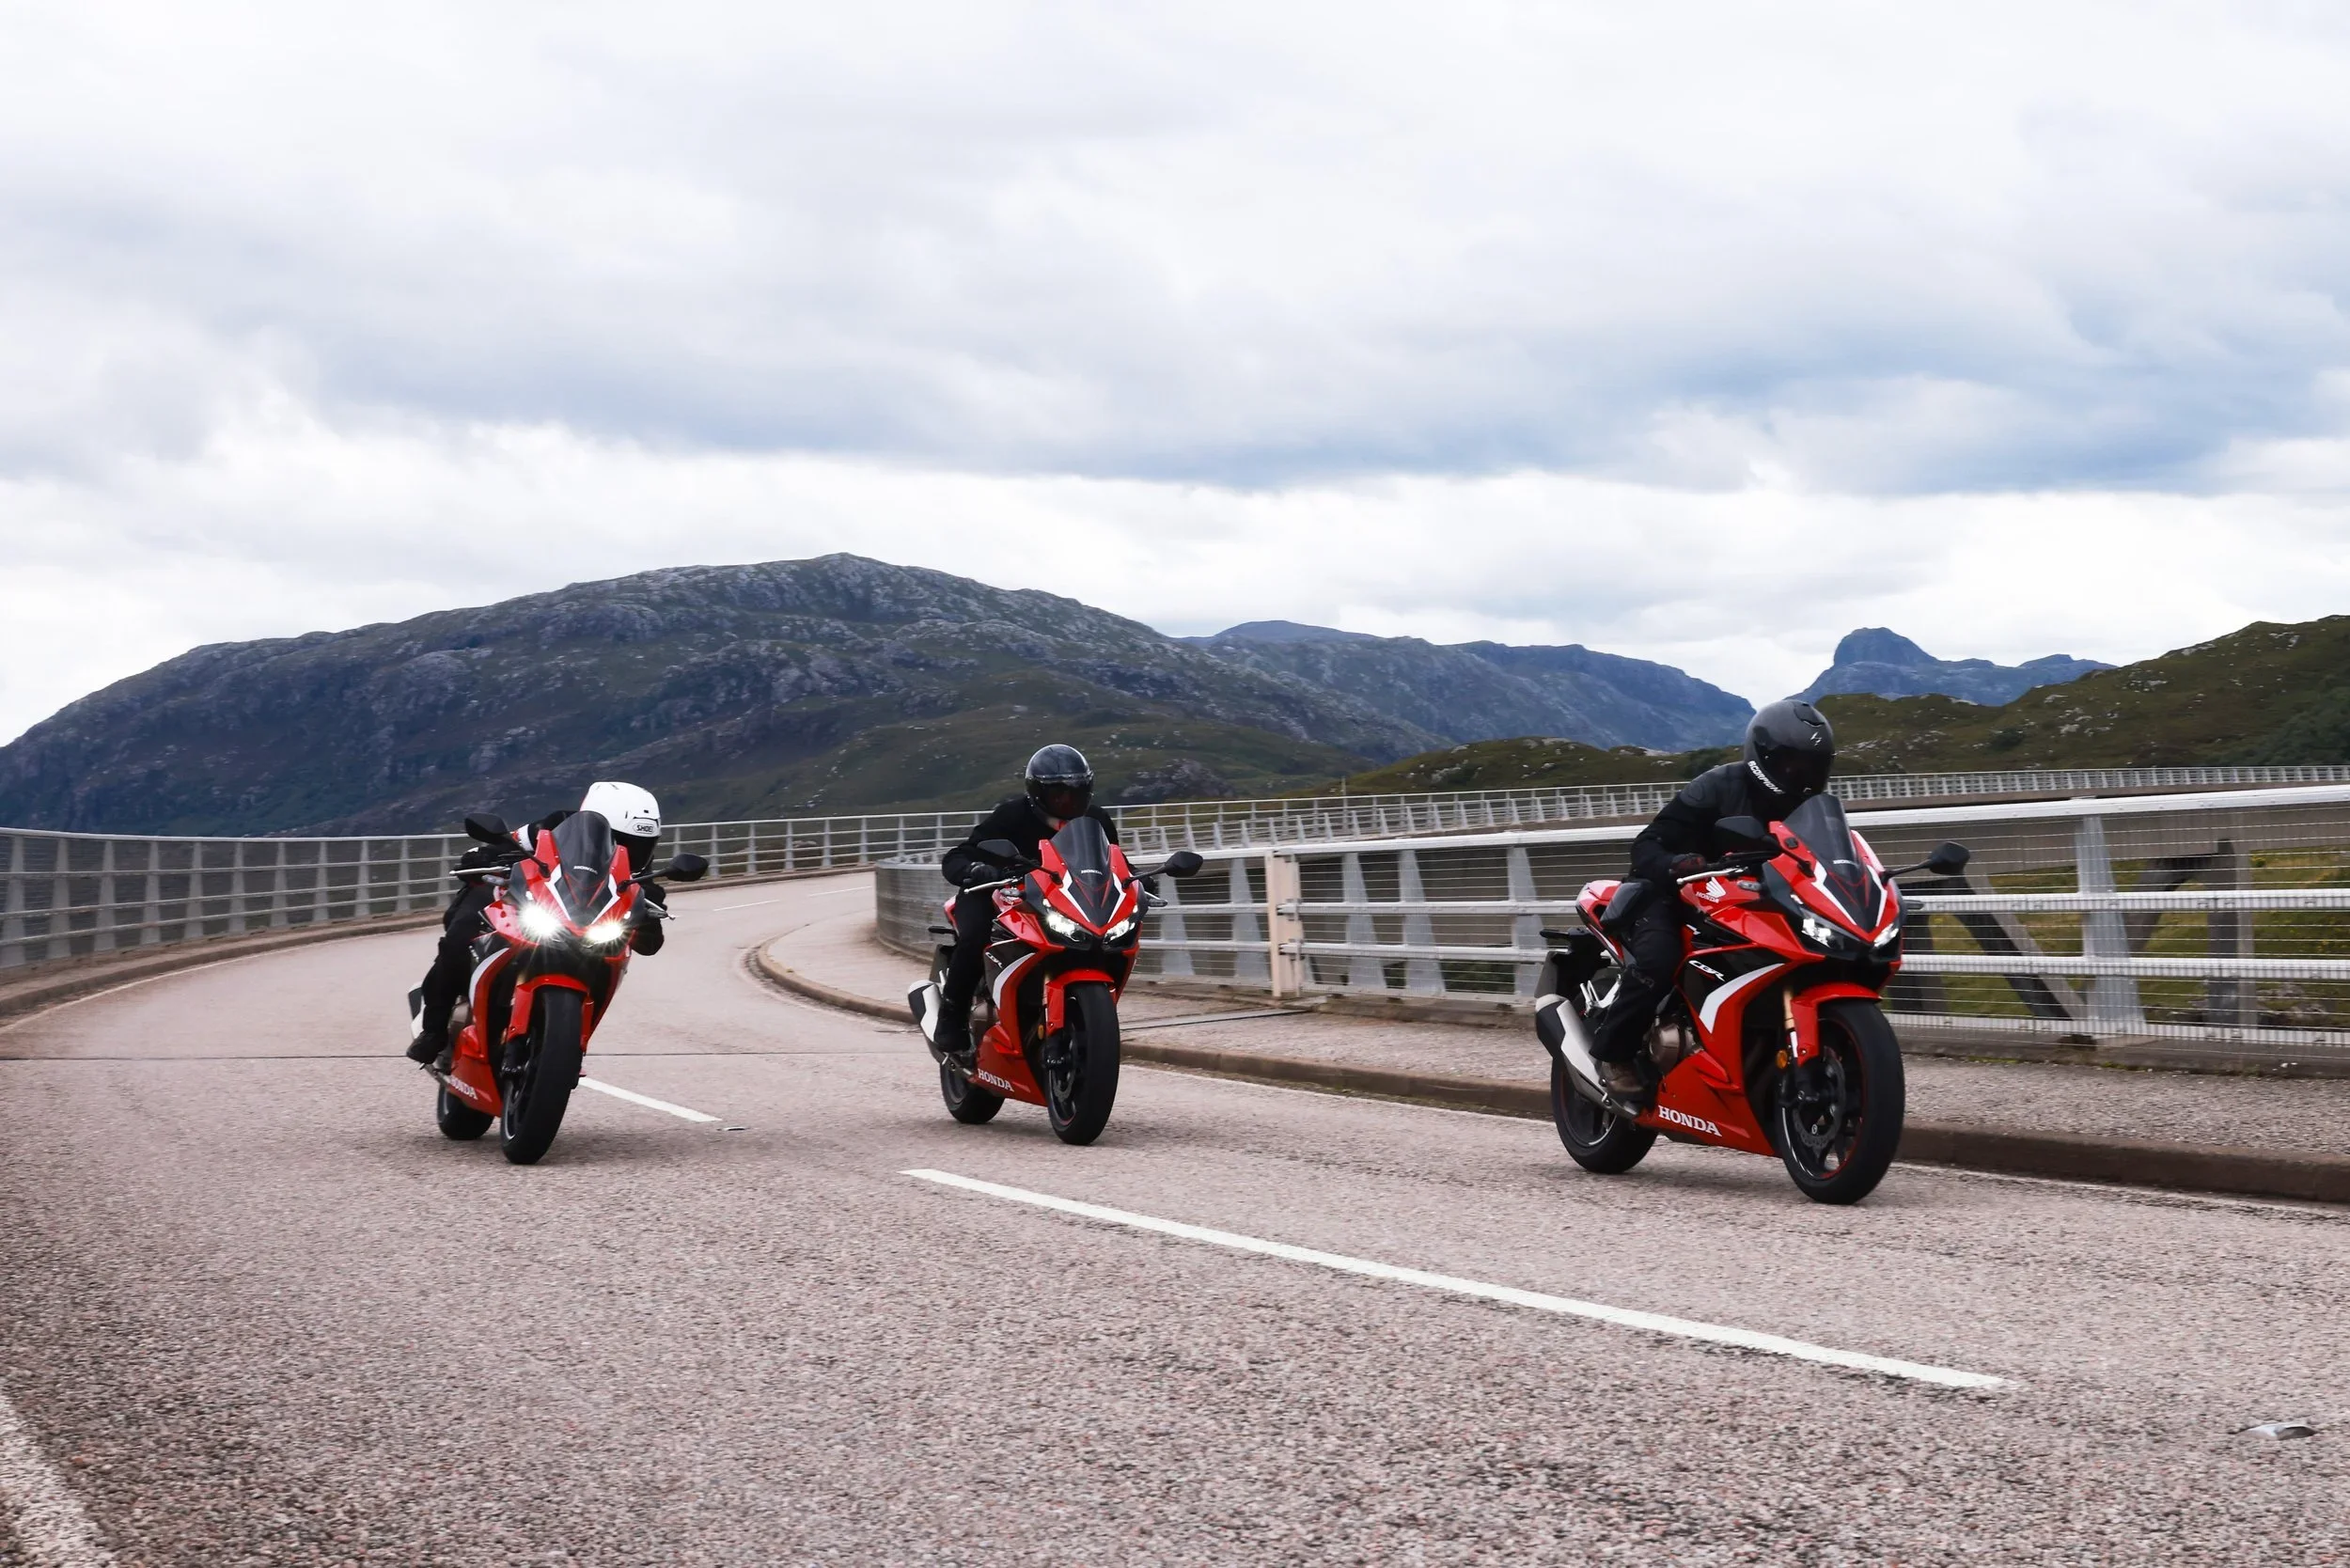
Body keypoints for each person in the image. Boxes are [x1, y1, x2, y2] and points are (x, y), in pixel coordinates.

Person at [1582, 699, 1837, 1100]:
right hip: (1670, 893)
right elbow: (1647, 845)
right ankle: (1614, 1055)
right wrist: (1675, 863)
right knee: (1659, 960)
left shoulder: (1810, 809)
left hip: (1744, 901)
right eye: (1793, 763)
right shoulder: (1717, 786)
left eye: (1813, 766)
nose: (1803, 775)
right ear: (1765, 756)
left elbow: (1824, 858)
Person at [405, 780, 668, 1065]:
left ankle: (565, 1044)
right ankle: (433, 1029)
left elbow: (650, 916)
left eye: (641, 846)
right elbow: (510, 841)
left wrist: (651, 915)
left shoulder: (636, 868)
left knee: (615, 956)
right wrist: (482, 856)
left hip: (587, 926)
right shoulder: (555, 826)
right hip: (534, 901)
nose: (628, 851)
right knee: (461, 937)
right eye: (619, 840)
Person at [931, 745, 1121, 1066]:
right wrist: (976, 869)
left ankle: (1083, 1020)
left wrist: (1137, 880)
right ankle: (951, 1018)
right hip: (996, 893)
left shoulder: (1097, 819)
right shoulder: (1012, 815)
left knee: (1103, 938)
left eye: (1076, 792)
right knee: (976, 936)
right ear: (1037, 793)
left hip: (1056, 901)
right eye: (1059, 794)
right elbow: (958, 856)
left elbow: (1113, 861)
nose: (1068, 801)